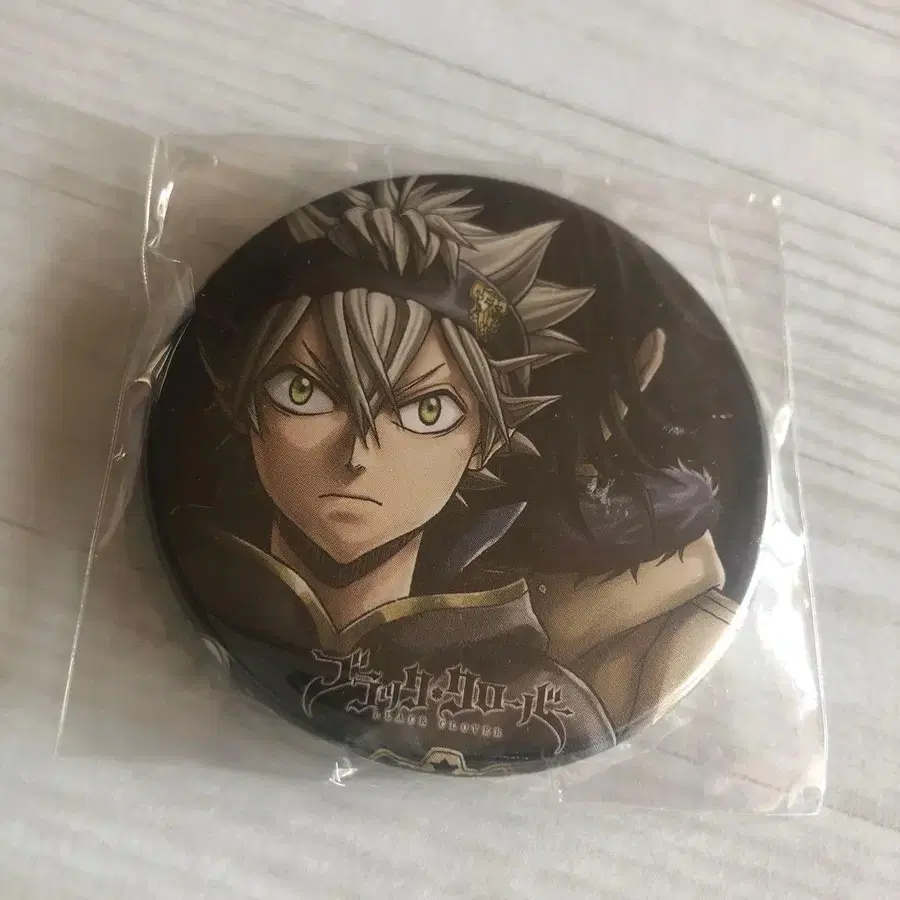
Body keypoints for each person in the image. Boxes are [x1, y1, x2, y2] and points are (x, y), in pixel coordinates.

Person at [164, 176, 735, 774]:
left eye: (426, 411)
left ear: (484, 441)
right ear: (244, 408)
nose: (359, 456)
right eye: (303, 392)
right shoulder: (203, 578)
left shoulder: (537, 698)